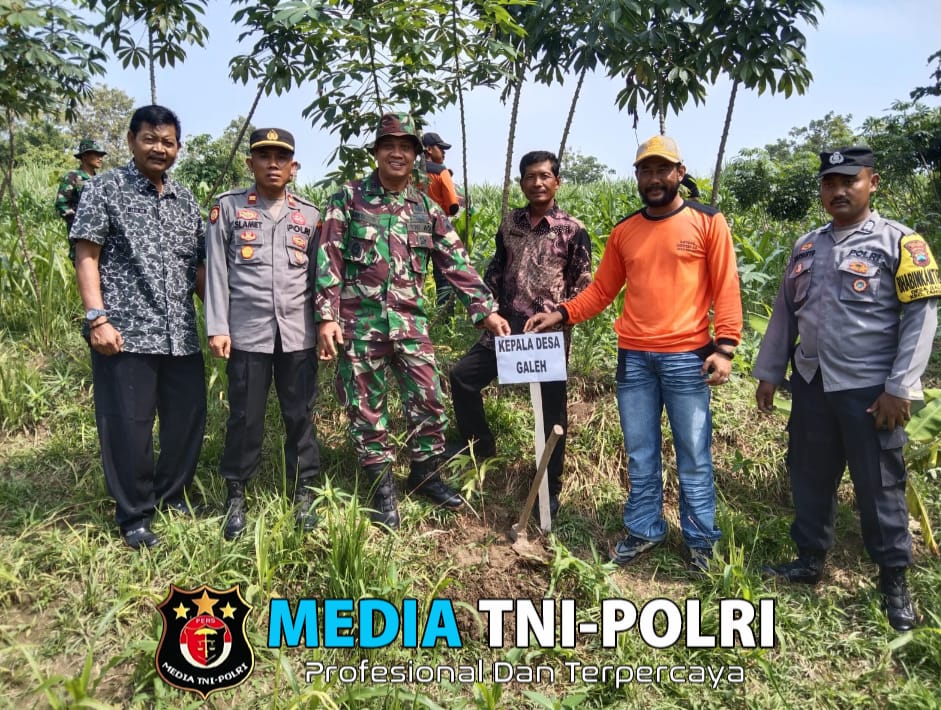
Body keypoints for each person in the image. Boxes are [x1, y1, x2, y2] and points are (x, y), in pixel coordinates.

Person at [526, 135, 742, 572]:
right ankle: (645, 528)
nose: (655, 178)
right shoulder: (626, 231)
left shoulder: (707, 221)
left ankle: (701, 540)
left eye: (663, 169)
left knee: (694, 455)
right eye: (646, 170)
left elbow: (726, 285)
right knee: (640, 452)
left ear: (680, 173)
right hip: (635, 359)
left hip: (687, 358)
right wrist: (562, 314)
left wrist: (726, 346)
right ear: (638, 176)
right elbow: (602, 290)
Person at [753, 146, 939, 632]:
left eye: (848, 181)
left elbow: (921, 318)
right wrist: (769, 372)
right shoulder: (806, 246)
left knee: (880, 486)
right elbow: (785, 313)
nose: (837, 190)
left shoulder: (900, 242)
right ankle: (810, 558)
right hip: (812, 383)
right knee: (809, 475)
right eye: (829, 182)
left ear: (871, 183)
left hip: (870, 390)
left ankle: (893, 580)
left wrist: (900, 386)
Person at [316, 112, 510, 530]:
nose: (397, 153)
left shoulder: (425, 207)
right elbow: (328, 257)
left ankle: (425, 475)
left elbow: (455, 261)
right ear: (376, 152)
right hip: (359, 324)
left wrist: (486, 310)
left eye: (405, 147)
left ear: (416, 155)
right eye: (389, 146)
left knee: (429, 399)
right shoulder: (348, 199)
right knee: (366, 408)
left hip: (409, 324)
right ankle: (381, 488)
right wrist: (326, 317)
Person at [70, 105, 206, 550]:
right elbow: (87, 254)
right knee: (128, 427)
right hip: (124, 334)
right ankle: (134, 515)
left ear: (178, 148)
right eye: (150, 139)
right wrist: (97, 318)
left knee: (186, 420)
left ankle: (173, 495)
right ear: (131, 141)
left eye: (168, 142)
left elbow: (199, 268)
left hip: (181, 334)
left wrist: (221, 320)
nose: (159, 148)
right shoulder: (105, 188)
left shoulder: (185, 199)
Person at [448, 150, 592, 517]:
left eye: (545, 176)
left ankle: (549, 484)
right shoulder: (510, 224)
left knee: (551, 410)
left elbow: (583, 287)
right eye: (530, 176)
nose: (537, 183)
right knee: (463, 377)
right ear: (522, 182)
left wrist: (559, 318)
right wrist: (489, 312)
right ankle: (480, 446)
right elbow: (495, 271)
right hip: (505, 331)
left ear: (557, 182)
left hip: (546, 337)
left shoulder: (572, 230)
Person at [205, 128, 322, 541]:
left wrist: (325, 325)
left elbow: (318, 278)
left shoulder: (309, 215)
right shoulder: (229, 208)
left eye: (281, 157)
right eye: (264, 156)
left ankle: (304, 492)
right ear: (250, 163)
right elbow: (216, 271)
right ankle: (236, 493)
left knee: (300, 415)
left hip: (298, 334)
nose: (273, 164)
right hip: (247, 333)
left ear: (293, 167)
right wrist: (217, 326)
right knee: (245, 417)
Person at [421, 131, 462, 310]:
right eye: (441, 148)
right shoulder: (441, 171)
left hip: (414, 227)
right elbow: (453, 205)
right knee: (443, 275)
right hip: (438, 226)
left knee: (416, 274)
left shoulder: (411, 172)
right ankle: (445, 317)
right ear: (429, 149)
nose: (444, 152)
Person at [55, 139, 107, 259]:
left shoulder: (100, 180)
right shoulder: (72, 177)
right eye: (96, 154)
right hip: (80, 233)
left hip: (100, 233)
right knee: (81, 261)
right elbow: (61, 204)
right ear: (84, 156)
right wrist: (79, 221)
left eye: (101, 155)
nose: (100, 158)